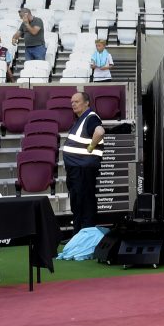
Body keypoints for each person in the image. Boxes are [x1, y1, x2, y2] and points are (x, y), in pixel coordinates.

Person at [63, 92, 105, 234]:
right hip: (77, 170)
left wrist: (91, 147)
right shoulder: (81, 119)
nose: (73, 104)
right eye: (72, 102)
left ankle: (85, 238)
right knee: (78, 204)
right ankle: (78, 237)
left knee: (84, 204)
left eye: (76, 101)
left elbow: (99, 131)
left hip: (83, 170)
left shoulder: (91, 117)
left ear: (86, 103)